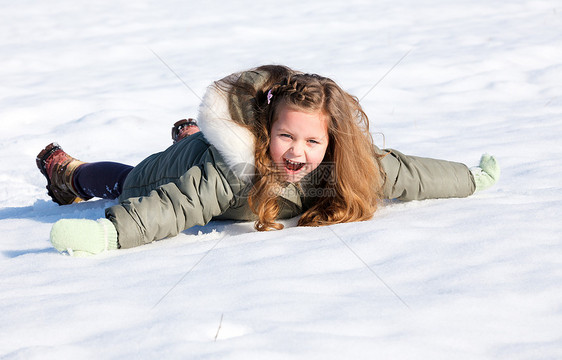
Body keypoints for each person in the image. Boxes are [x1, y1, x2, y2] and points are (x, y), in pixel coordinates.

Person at [37, 65, 499, 256]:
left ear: (333, 139)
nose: (298, 152)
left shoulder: (345, 164)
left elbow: (409, 172)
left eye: (312, 141)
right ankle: (72, 174)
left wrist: (472, 179)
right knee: (130, 179)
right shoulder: (232, 173)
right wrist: (109, 231)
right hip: (178, 171)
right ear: (265, 130)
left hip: (204, 154)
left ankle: (191, 132)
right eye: (285, 136)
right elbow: (174, 207)